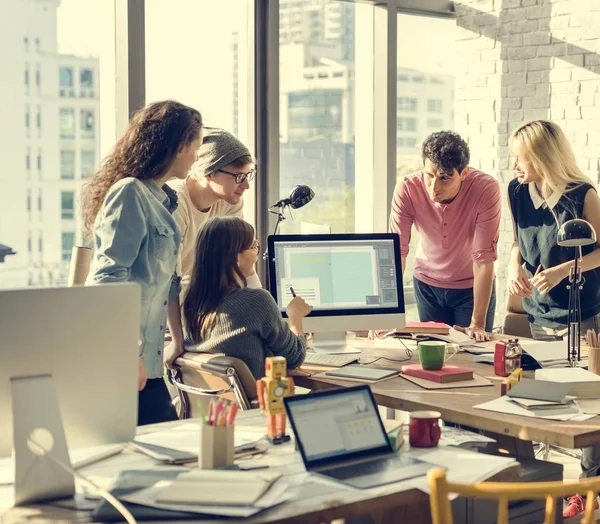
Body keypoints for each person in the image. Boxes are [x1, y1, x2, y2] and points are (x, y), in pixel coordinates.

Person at [83, 100, 203, 426]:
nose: (197, 156)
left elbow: (170, 283)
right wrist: (129, 353)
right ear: (180, 147)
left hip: (150, 364)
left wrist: (177, 342)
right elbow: (108, 279)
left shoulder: (166, 201)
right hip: (124, 362)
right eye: (196, 146)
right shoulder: (130, 193)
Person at [507, 120, 600, 519]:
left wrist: (564, 269)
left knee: (590, 402)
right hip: (539, 313)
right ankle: (545, 485)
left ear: (543, 156)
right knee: (545, 397)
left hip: (585, 312)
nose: (513, 166)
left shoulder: (584, 195)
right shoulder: (515, 191)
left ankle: (586, 487)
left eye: (519, 157)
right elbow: (516, 242)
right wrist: (512, 269)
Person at [389, 131, 501, 341]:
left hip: (470, 288)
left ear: (464, 173)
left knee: (471, 354)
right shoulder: (407, 188)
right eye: (429, 176)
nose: (434, 187)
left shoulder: (486, 189)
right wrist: (384, 317)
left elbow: (484, 259)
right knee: (429, 354)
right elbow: (396, 255)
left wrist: (477, 323)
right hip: (427, 285)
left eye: (444, 178)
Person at [182, 216, 310, 379]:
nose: (257, 254)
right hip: (256, 404)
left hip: (218, 404)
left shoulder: (192, 303)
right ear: (236, 257)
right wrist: (296, 315)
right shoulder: (256, 301)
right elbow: (295, 356)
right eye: (253, 247)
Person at [168, 128, 260, 299]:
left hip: (203, 298)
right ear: (209, 172)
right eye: (239, 176)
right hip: (169, 305)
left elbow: (237, 264)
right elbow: (169, 279)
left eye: (249, 175)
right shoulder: (174, 203)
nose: (246, 185)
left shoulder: (231, 203)